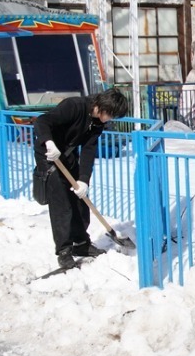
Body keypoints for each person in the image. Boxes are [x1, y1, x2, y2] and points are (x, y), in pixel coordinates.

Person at [32, 88, 129, 269]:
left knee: (80, 202)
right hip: (49, 154)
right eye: (110, 114)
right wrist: (49, 142)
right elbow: (42, 121)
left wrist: (84, 180)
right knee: (62, 205)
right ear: (102, 105)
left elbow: (88, 150)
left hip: (67, 156)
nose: (109, 119)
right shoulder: (74, 106)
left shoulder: (97, 123)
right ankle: (64, 251)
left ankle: (81, 244)